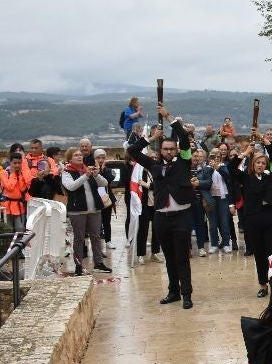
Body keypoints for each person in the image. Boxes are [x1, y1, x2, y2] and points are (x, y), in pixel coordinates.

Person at [127, 104, 195, 309]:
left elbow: (184, 138)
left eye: (171, 149)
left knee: (182, 258)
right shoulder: (153, 164)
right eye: (165, 149)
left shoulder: (184, 161)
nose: (168, 151)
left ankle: (186, 294)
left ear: (176, 150)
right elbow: (132, 150)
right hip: (162, 218)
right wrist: (150, 137)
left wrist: (169, 117)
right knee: (169, 258)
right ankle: (173, 291)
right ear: (160, 150)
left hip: (181, 216)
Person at [230, 134, 272, 297]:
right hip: (253, 220)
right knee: (259, 255)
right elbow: (231, 168)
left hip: (271, 219)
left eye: (263, 163)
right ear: (253, 164)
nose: (260, 165)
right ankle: (263, 285)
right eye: (257, 162)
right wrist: (245, 153)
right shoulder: (246, 178)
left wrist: (264, 140)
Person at [62, 148, 111, 275]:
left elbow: (104, 183)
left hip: (94, 209)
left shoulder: (88, 169)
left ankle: (98, 263)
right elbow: (71, 187)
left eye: (80, 155)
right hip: (77, 211)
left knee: (96, 236)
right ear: (70, 159)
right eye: (76, 155)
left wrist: (96, 175)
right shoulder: (66, 172)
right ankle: (78, 266)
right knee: (79, 238)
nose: (79, 156)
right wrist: (86, 176)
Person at [0, 153, 29, 231]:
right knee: (8, 228)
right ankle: (8, 239)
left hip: (19, 205)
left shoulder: (22, 173)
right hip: (6, 205)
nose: (17, 165)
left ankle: (19, 239)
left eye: (19, 163)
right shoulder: (4, 173)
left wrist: (20, 175)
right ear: (10, 162)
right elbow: (9, 187)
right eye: (15, 163)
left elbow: (22, 189)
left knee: (20, 228)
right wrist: (13, 174)